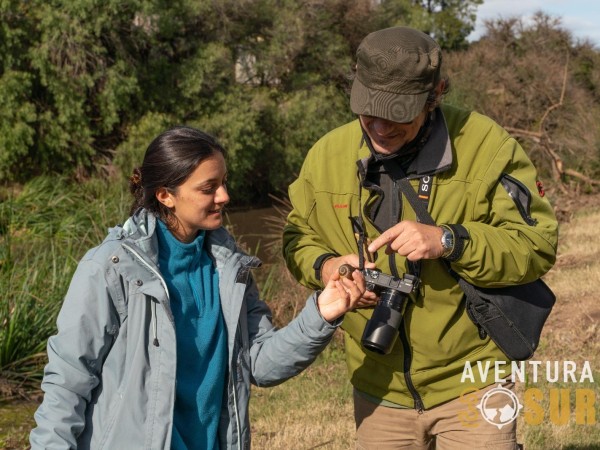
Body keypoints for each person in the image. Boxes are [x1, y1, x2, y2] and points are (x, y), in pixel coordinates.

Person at [282, 26, 558, 449]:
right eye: (367, 110)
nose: (378, 126)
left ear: (436, 94)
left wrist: (451, 241)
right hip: (377, 387)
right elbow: (297, 236)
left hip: (473, 381)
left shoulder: (487, 145)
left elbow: (535, 246)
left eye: (396, 113)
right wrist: (328, 266)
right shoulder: (327, 155)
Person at [29, 126, 366, 450]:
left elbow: (260, 364)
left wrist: (323, 311)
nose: (225, 196)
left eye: (224, 183)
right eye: (209, 188)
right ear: (165, 195)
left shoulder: (230, 267)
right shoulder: (111, 267)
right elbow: (68, 381)